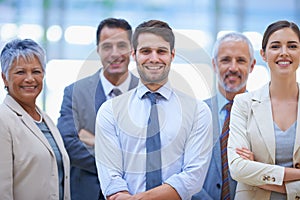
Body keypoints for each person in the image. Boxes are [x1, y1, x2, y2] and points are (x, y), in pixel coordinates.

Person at [95, 19, 213, 200]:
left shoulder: (198, 111)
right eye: (145, 51)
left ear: (172, 55)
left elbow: (192, 178)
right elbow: (111, 179)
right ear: (134, 54)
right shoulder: (110, 111)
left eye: (161, 51)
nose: (154, 58)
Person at [57, 18, 139, 200]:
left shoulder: (147, 93)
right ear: (98, 50)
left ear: (132, 49)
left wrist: (94, 140)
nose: (115, 54)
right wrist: (123, 163)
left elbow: (152, 150)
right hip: (86, 193)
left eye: (121, 46)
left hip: (134, 193)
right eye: (107, 46)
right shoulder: (75, 92)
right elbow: (68, 143)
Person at [228, 20, 300, 199]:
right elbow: (238, 168)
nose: (284, 53)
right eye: (275, 46)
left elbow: (248, 173)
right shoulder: (243, 103)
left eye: (292, 46)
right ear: (263, 54)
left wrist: (257, 170)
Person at [0, 38, 70, 200]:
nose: (30, 79)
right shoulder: (3, 120)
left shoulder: (46, 119)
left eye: (36, 71)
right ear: (4, 78)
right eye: (20, 72)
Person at [192, 32, 256, 200]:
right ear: (214, 64)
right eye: (225, 60)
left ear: (252, 65)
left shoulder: (266, 115)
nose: (233, 68)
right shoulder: (193, 113)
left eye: (241, 60)